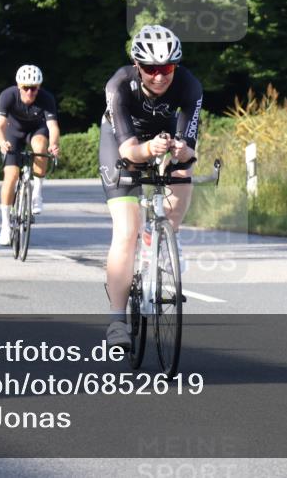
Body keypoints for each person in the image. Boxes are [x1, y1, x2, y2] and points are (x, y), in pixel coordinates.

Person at [99, 25, 202, 347]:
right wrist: (148, 150)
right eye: (151, 69)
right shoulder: (119, 84)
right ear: (137, 65)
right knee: (126, 231)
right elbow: (129, 151)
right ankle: (117, 320)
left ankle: (167, 232)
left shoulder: (189, 85)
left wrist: (184, 151)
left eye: (167, 68)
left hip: (165, 136)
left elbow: (190, 144)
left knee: (183, 171)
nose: (159, 76)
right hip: (122, 143)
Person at [0, 65, 61, 246]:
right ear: (18, 86)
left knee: (40, 145)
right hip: (13, 133)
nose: (30, 92)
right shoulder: (7, 96)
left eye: (34, 88)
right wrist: (2, 143)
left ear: (39, 87)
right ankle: (5, 225)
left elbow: (53, 127)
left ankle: (37, 193)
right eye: (26, 88)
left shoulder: (46, 98)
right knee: (11, 175)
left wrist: (54, 144)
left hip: (36, 131)